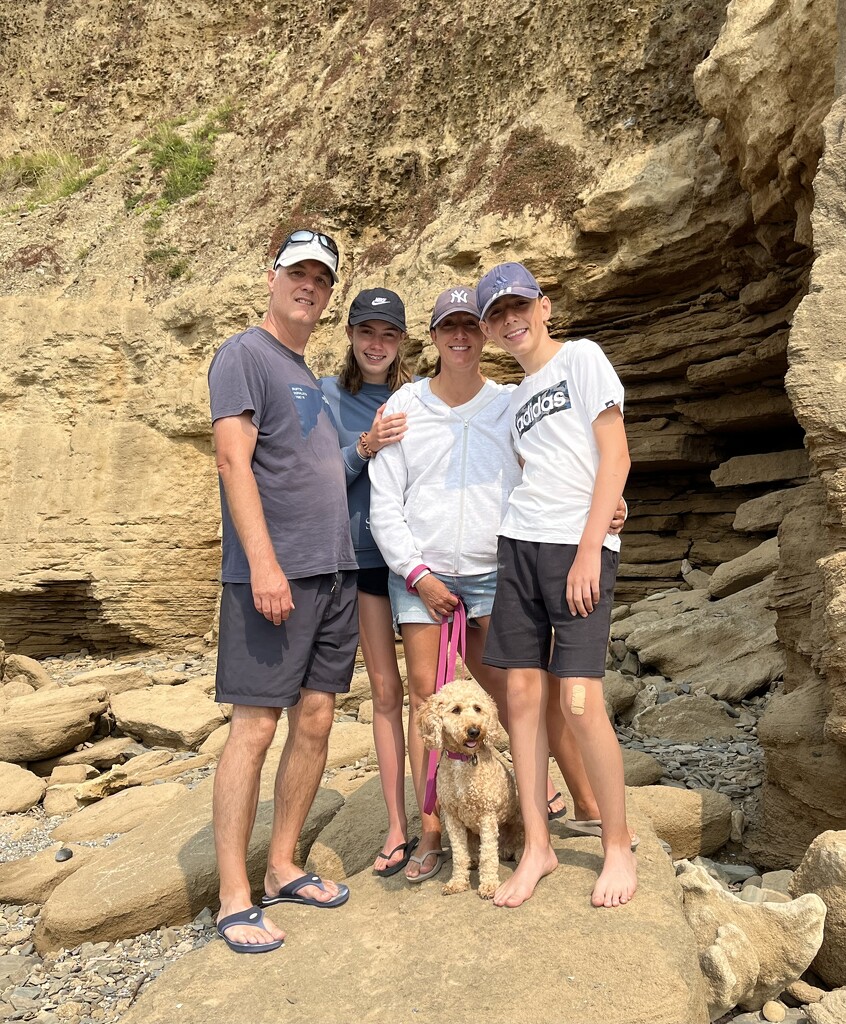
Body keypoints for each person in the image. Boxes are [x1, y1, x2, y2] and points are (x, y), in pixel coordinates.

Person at [369, 287, 619, 883]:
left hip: (494, 567)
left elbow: (562, 463)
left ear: (482, 336)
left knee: (519, 694)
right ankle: (433, 830)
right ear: (433, 337)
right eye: (448, 327)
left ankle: (575, 800)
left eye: (469, 327)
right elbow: (385, 502)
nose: (460, 337)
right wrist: (417, 573)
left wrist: (613, 506)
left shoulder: (511, 403)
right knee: (427, 699)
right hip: (421, 572)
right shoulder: (405, 407)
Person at [208, 229, 357, 954]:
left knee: (319, 720)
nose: (309, 286)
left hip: (332, 576)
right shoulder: (243, 355)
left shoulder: (309, 375)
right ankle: (235, 896)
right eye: (297, 272)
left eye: (321, 279)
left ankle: (282, 866)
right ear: (271, 278)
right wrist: (264, 565)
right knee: (256, 728)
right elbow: (235, 465)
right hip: (276, 579)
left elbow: (313, 468)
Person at [477, 262, 637, 910]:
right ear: (489, 329)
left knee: (577, 700)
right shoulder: (514, 402)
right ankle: (540, 846)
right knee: (520, 693)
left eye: (519, 306)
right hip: (520, 544)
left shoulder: (584, 359)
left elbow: (616, 456)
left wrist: (590, 549)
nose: (511, 320)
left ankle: (617, 845)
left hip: (578, 548)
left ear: (543, 307)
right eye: (497, 314)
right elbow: (527, 478)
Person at [318, 288, 418, 877]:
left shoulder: (418, 397)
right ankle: (397, 827)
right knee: (387, 691)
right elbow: (317, 477)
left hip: (420, 561)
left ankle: (440, 817)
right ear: (351, 336)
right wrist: (366, 445)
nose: (376, 344)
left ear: (402, 341)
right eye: (366, 332)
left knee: (439, 690)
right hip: (363, 559)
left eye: (388, 334)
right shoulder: (328, 396)